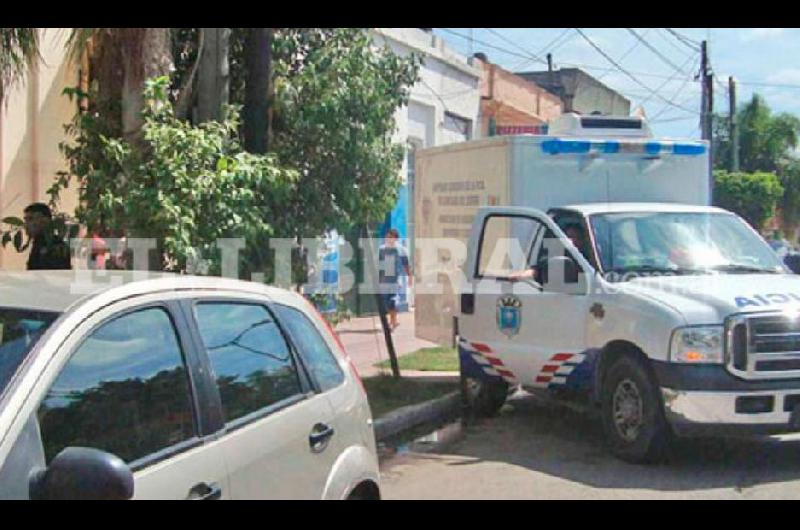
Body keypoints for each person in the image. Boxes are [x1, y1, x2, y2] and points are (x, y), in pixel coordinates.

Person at [509, 223, 588, 282]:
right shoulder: (557, 256)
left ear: (582, 240)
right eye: (568, 237)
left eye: (576, 237)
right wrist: (520, 276)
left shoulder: (592, 259)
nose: (572, 240)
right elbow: (537, 271)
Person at [378, 228, 412, 331]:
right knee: (386, 302)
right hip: (384, 279)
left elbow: (406, 265)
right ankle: (394, 321)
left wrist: (410, 276)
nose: (388, 239)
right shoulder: (382, 249)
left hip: (396, 280)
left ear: (395, 239)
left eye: (390, 237)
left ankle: (392, 322)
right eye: (387, 237)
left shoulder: (401, 250)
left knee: (392, 301)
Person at [23, 203, 71, 271]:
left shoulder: (55, 245)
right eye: (25, 220)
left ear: (45, 221)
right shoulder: (37, 243)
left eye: (30, 219)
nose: (26, 224)